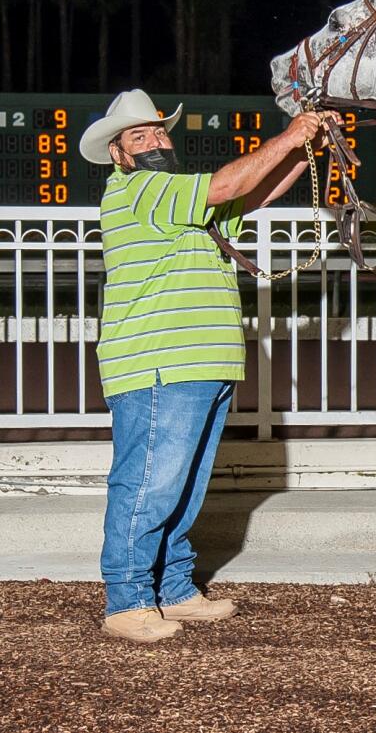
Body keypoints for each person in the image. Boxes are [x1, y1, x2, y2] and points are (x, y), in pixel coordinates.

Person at [80, 89, 334, 643]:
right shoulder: (141, 188)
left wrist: (305, 148)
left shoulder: (179, 201)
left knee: (184, 486)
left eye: (160, 131)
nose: (155, 141)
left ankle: (173, 591)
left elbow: (254, 194)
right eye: (139, 136)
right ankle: (125, 602)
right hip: (159, 362)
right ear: (118, 153)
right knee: (149, 483)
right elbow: (226, 185)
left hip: (201, 363)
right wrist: (291, 136)